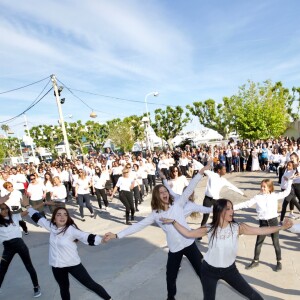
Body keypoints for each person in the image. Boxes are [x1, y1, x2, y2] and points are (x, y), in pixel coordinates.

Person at [104, 162, 212, 300]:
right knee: (170, 276)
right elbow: (138, 226)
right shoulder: (156, 214)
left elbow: (190, 188)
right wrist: (117, 235)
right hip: (175, 248)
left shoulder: (178, 204)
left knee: (202, 272)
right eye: (161, 192)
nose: (165, 193)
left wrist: (201, 171)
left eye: (165, 191)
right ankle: (170, 298)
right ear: (157, 196)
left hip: (189, 243)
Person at [160, 199, 293, 300]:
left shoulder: (238, 227)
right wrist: (173, 222)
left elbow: (261, 230)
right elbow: (188, 234)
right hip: (209, 271)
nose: (232, 211)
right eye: (228, 209)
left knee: (254, 296)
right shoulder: (210, 229)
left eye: (232, 208)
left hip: (230, 271)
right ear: (220, 211)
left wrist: (281, 227)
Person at [27, 207, 112, 300]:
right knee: (64, 288)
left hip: (73, 265)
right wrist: (28, 207)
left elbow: (85, 236)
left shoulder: (71, 230)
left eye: (65, 214)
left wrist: (101, 240)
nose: (62, 217)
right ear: (54, 219)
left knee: (91, 284)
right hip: (57, 266)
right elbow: (39, 218)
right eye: (59, 215)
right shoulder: (52, 227)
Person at [234, 178, 292, 271]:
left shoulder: (274, 195)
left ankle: (279, 262)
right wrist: (233, 207)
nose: (262, 188)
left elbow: (286, 193)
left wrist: (289, 181)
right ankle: (255, 261)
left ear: (269, 188)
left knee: (276, 243)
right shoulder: (258, 197)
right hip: (263, 223)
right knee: (258, 243)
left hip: (273, 222)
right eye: (261, 186)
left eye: (264, 187)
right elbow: (247, 204)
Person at [0, 203, 41, 297]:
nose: (5, 210)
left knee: (29, 266)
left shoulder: (14, 216)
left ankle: (36, 286)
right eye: (2, 209)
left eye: (6, 208)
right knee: (2, 269)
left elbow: (29, 210)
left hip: (20, 244)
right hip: (7, 247)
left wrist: (44, 203)